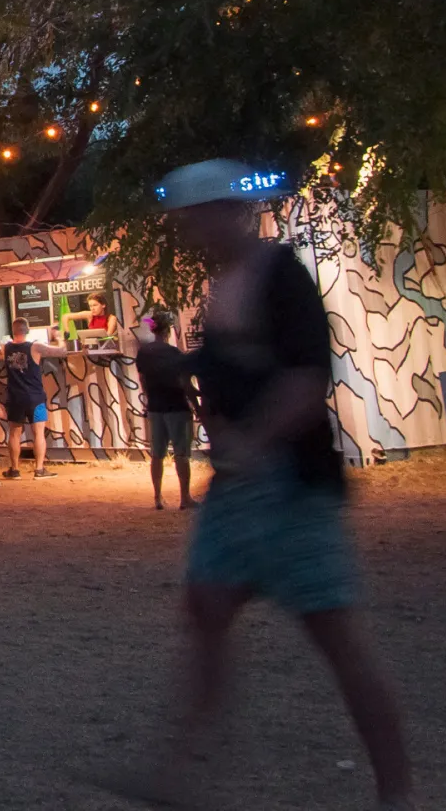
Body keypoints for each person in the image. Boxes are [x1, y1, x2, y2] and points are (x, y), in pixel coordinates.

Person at [103, 160, 413, 810]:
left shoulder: (280, 278)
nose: (186, 229)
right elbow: (234, 372)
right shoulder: (228, 285)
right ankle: (178, 773)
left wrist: (254, 440)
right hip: (244, 484)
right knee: (208, 607)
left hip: (290, 481)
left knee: (335, 636)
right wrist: (181, 364)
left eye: (193, 216)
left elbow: (305, 378)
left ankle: (397, 793)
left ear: (224, 211)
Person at [136, 309, 200, 510]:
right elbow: (185, 384)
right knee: (181, 453)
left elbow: (143, 379)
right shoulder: (174, 354)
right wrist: (196, 406)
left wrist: (149, 398)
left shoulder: (144, 352)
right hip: (176, 406)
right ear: (168, 330)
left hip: (155, 406)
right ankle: (185, 497)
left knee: (157, 454)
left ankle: (157, 497)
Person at [0, 318, 67, 480]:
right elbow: (62, 352)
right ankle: (39, 469)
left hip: (15, 397)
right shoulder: (35, 347)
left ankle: (14, 470)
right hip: (35, 397)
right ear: (27, 330)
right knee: (38, 433)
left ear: (13, 330)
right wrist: (59, 337)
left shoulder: (5, 347)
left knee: (14, 434)